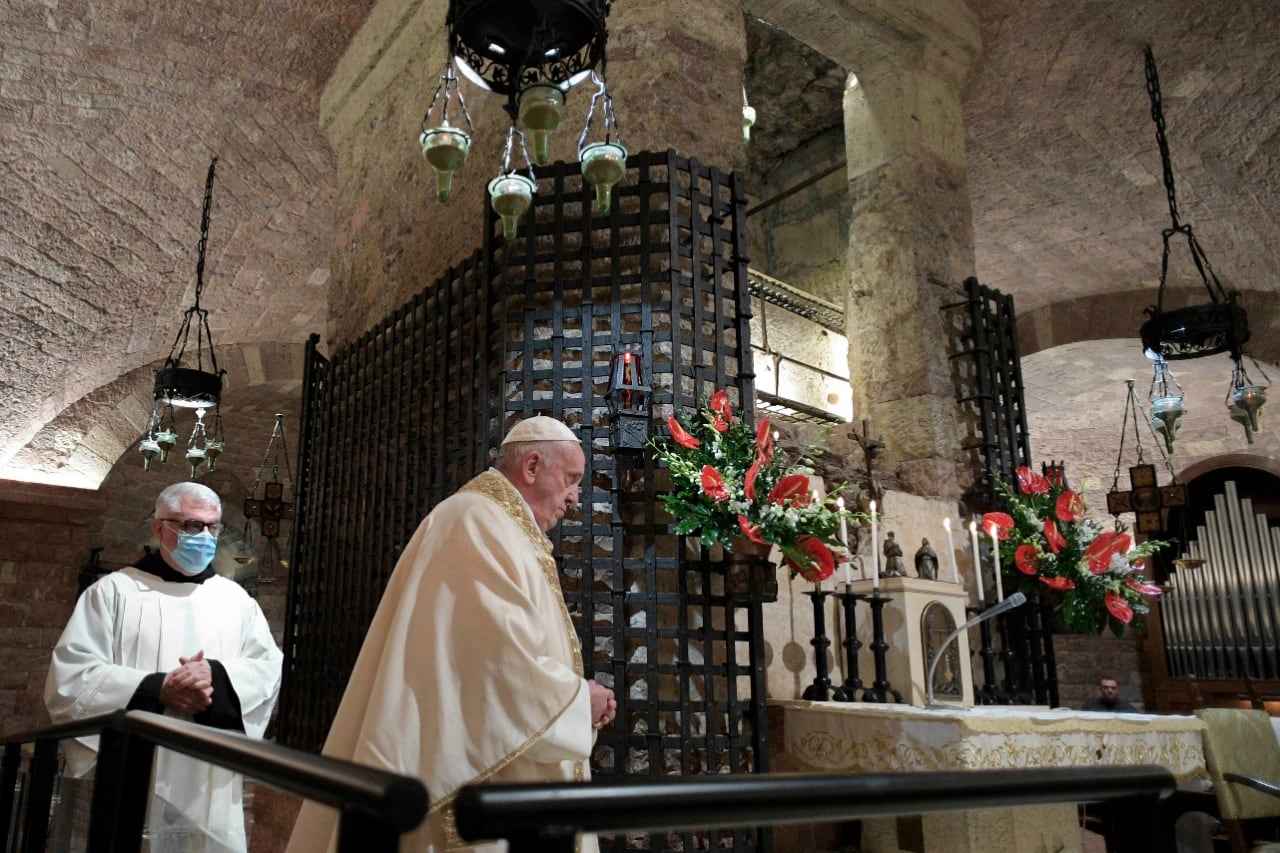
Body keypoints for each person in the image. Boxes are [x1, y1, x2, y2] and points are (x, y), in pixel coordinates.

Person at [286, 416, 617, 853]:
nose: (575, 497)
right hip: (479, 784)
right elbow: (494, 665)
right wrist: (579, 702)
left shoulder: (499, 525)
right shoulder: (476, 520)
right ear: (532, 466)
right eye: (571, 479)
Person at [44, 481, 283, 853]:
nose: (204, 536)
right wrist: (159, 688)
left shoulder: (236, 600)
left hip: (210, 772)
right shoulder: (113, 592)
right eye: (190, 526)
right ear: (159, 528)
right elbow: (72, 677)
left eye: (212, 527)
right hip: (132, 766)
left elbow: (267, 669)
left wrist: (216, 678)